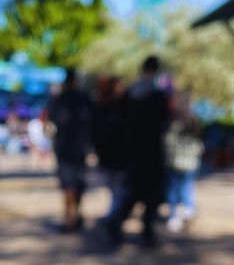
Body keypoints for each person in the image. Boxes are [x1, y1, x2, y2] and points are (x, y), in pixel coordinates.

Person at [107, 55, 171, 248]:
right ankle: (144, 231)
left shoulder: (131, 93)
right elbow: (163, 122)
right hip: (151, 153)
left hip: (134, 152)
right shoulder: (156, 94)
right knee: (148, 194)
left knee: (135, 192)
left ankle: (120, 224)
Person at [46, 68, 94, 232]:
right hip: (80, 149)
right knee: (77, 185)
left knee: (69, 187)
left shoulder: (59, 99)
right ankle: (73, 216)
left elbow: (51, 120)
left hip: (65, 150)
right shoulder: (84, 99)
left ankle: (70, 218)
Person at [164, 97, 204, 233]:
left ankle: (174, 216)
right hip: (190, 163)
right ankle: (188, 209)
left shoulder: (174, 125)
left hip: (174, 162)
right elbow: (199, 146)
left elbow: (168, 143)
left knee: (174, 190)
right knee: (186, 187)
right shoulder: (194, 124)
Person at [92, 76, 127, 220]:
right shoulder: (113, 109)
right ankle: (114, 217)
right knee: (117, 188)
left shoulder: (104, 108)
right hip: (113, 156)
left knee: (117, 189)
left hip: (112, 156)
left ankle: (114, 216)